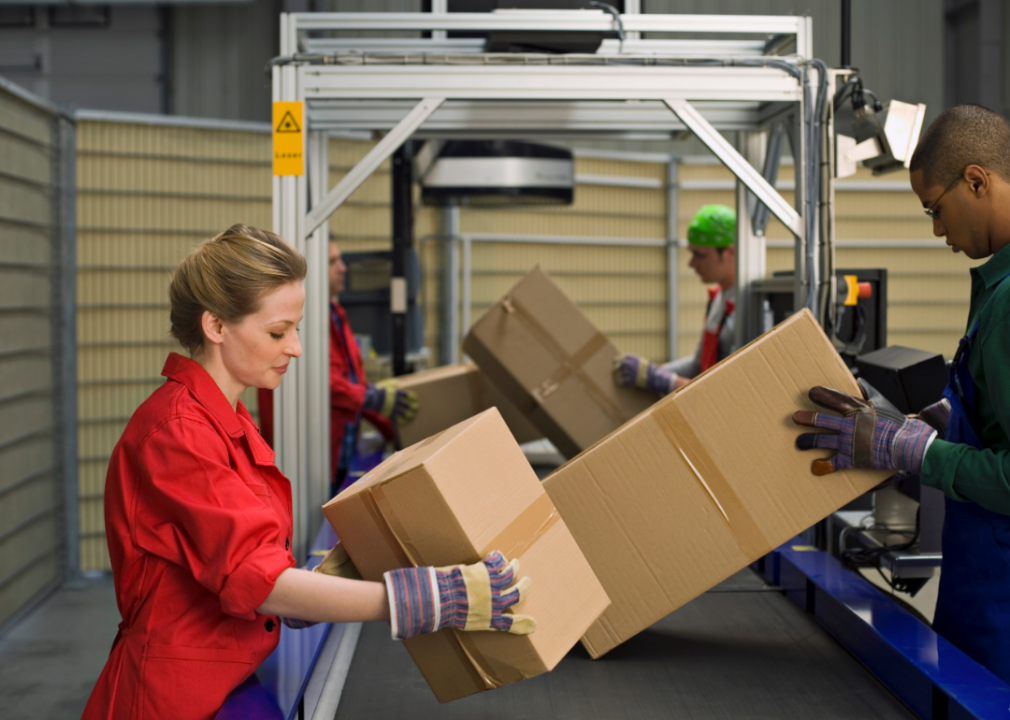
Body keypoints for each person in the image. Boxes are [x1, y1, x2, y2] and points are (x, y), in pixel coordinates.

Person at [81, 225, 533, 720]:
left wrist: (315, 587)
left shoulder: (227, 417)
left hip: (223, 675)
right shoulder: (177, 434)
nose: (295, 348)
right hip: (172, 698)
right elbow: (259, 582)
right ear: (215, 327)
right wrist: (420, 598)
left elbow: (236, 561)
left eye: (296, 329)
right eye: (278, 332)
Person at [791, 104, 1010, 685]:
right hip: (983, 580)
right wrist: (924, 422)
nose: (938, 232)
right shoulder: (997, 286)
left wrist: (915, 452)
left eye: (935, 210)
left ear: (977, 180)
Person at [258, 237, 418, 494]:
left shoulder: (334, 313)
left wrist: (395, 428)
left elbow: (351, 381)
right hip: (306, 453)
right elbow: (316, 379)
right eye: (333, 262)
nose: (343, 268)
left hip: (335, 449)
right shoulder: (299, 320)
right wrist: (370, 397)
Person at [613, 204, 737, 397]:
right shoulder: (720, 299)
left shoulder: (747, 310)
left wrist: (661, 380)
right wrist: (652, 371)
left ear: (731, 252)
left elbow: (729, 393)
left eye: (700, 255)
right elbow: (699, 364)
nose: (691, 264)